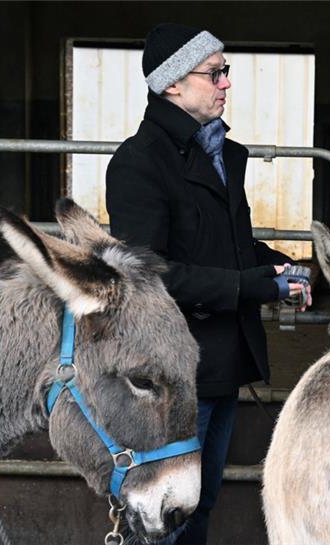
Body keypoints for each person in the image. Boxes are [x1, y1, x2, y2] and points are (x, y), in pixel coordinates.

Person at [106, 23, 310, 545]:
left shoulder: (224, 154)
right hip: (171, 374)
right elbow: (149, 273)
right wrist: (249, 286)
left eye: (226, 71)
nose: (226, 83)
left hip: (219, 361)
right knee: (164, 515)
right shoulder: (138, 163)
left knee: (203, 504)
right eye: (215, 72)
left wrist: (281, 268)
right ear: (173, 84)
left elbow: (232, 246)